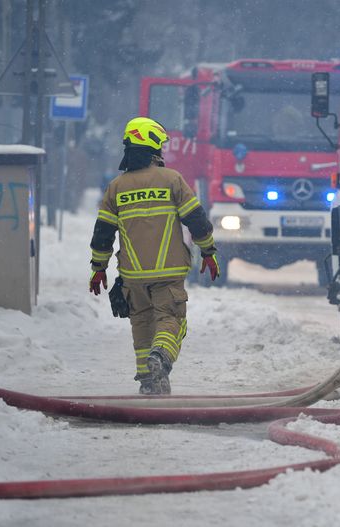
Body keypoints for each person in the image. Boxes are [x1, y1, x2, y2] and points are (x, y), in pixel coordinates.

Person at [88, 117, 219, 395]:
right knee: (172, 320)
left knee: (142, 325)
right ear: (152, 147)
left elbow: (102, 234)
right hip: (168, 273)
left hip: (133, 277)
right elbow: (197, 220)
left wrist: (98, 268)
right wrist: (208, 251)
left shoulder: (116, 187)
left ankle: (149, 383)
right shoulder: (172, 180)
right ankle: (161, 356)